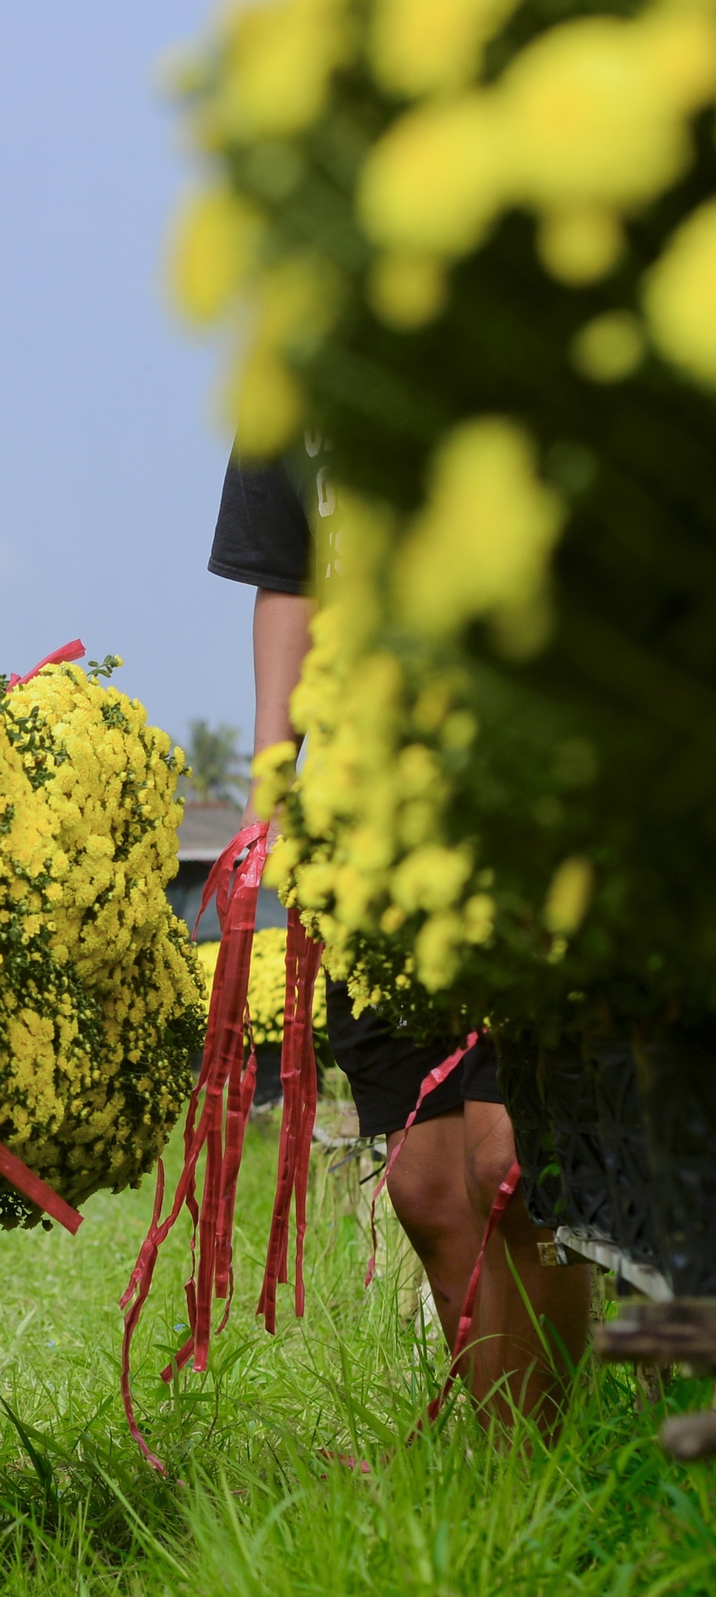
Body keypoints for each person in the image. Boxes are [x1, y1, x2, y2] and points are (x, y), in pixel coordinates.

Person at [211, 444, 591, 1429]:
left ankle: (548, 1463)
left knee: (508, 1162)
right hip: (371, 816)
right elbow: (288, 577)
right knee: (427, 1186)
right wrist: (273, 780)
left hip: (534, 799)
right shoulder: (288, 366)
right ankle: (510, 1466)